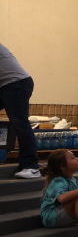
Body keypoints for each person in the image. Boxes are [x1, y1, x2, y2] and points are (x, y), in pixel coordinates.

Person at [0, 43, 40, 179]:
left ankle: (32, 167)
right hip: (7, 84)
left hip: (16, 84)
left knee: (20, 123)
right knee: (20, 123)